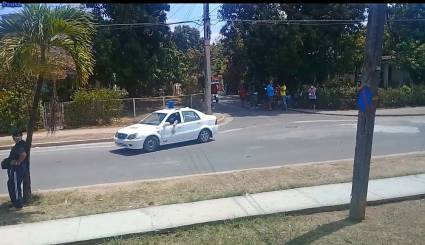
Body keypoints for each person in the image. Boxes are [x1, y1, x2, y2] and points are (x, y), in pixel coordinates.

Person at [5, 129, 28, 209]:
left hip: (17, 169)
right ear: (13, 137)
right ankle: (15, 203)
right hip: (16, 169)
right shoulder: (20, 144)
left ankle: (18, 205)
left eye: (18, 136)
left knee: (15, 187)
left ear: (21, 136)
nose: (16, 137)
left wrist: (17, 162)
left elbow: (23, 154)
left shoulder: (20, 145)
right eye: (15, 136)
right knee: (11, 185)